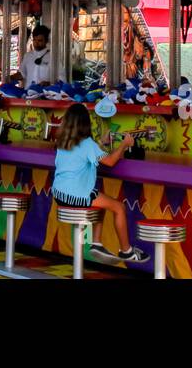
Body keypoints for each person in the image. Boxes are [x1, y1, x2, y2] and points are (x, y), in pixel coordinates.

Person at [51, 102, 149, 265]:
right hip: (76, 196)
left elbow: (85, 154)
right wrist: (124, 144)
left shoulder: (63, 141)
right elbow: (110, 161)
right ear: (85, 123)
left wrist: (101, 144)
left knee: (102, 200)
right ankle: (127, 251)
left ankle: (96, 243)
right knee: (119, 207)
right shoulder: (87, 143)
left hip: (59, 194)